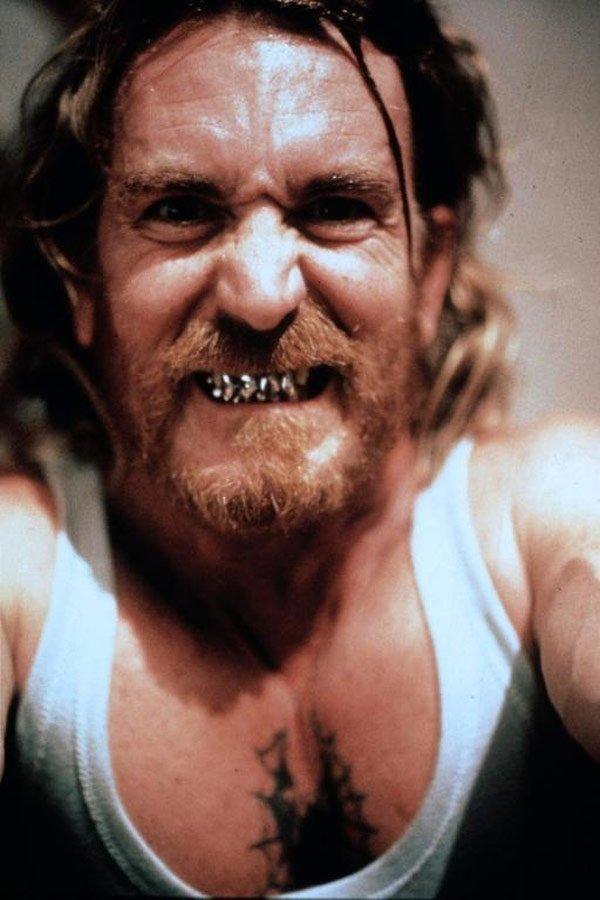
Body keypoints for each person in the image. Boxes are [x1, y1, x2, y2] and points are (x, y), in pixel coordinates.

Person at [0, 0, 598, 896]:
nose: (260, 296)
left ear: (429, 272)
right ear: (84, 278)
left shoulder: (549, 514)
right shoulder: (21, 567)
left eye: (334, 209)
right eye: (181, 209)